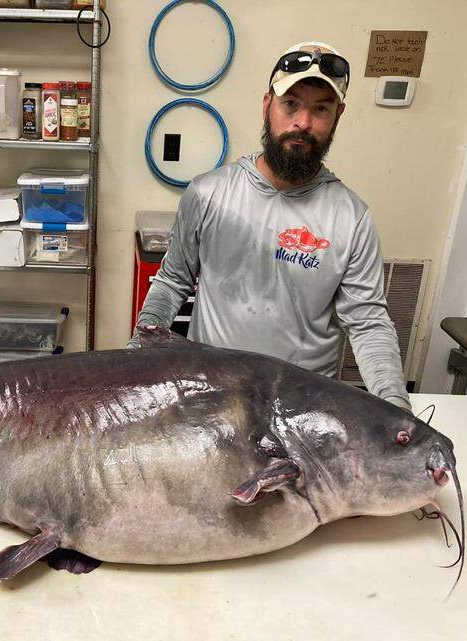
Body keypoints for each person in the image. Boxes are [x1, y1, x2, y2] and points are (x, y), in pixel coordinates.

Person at [129, 40, 412, 412]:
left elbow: (368, 322)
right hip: (212, 395)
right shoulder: (208, 193)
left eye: (321, 109)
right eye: (290, 104)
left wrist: (395, 406)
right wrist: (137, 355)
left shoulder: (350, 216)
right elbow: (172, 281)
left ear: (338, 117)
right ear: (268, 106)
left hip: (303, 409)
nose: (303, 123)